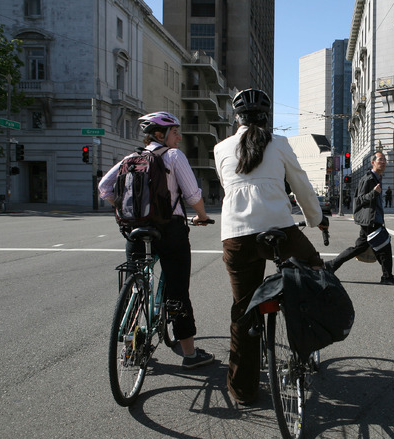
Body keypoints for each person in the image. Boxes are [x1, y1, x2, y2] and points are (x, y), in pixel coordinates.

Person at [214, 88, 330, 406]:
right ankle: (306, 337)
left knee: (243, 311)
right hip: (280, 229)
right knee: (314, 271)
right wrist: (316, 219)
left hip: (236, 235)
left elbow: (228, 187)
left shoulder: (220, 147)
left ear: (236, 118)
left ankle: (243, 391)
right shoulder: (279, 143)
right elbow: (301, 183)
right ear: (267, 118)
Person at [98, 111, 215, 370]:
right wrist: (203, 216)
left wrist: (126, 210)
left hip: (136, 231)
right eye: (175, 132)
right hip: (170, 231)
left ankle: (130, 350)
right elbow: (192, 194)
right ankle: (190, 354)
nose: (179, 137)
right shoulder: (173, 156)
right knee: (178, 290)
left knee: (137, 289)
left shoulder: (130, 158)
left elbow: (104, 189)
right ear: (161, 135)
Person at [325, 152, 394, 286]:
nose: (383, 162)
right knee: (384, 247)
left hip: (373, 219)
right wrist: (374, 193)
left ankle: (331, 265)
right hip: (370, 221)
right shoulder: (368, 179)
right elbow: (358, 200)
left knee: (360, 248)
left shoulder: (377, 178)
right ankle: (387, 276)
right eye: (380, 159)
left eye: (384, 159)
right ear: (373, 162)